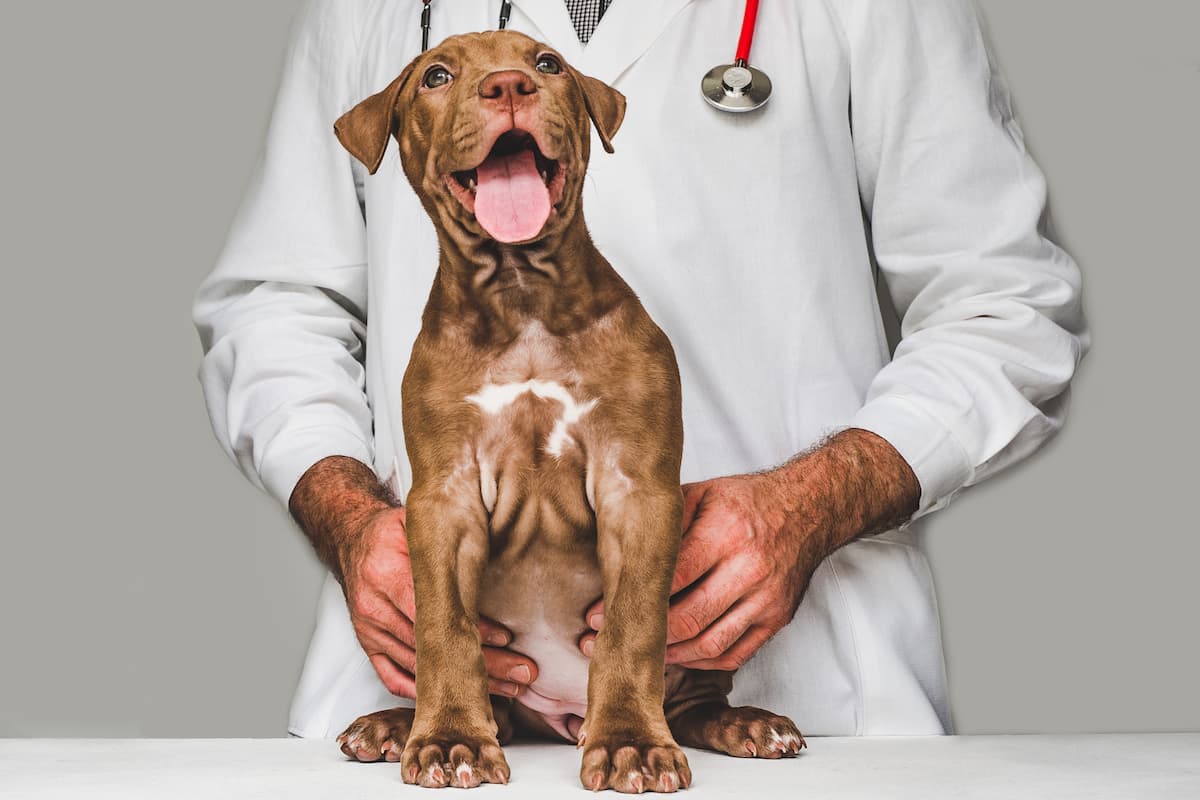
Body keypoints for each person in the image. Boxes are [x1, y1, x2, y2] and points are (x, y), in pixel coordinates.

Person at [193, 0, 1089, 739]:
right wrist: (350, 521)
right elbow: (279, 304)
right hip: (432, 711)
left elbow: (1004, 305)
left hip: (794, 692)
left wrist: (812, 505)